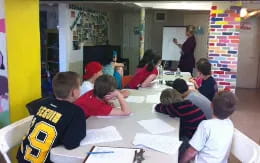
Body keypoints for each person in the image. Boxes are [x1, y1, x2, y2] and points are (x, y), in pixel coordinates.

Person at [17, 72, 86, 163]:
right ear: (74, 92)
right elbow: (71, 144)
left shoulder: (44, 104)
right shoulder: (76, 112)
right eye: (79, 86)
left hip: (23, 158)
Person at [179, 91, 237, 163]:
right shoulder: (230, 124)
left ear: (211, 105)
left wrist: (180, 161)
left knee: (183, 142)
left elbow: (191, 152)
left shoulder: (205, 125)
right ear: (232, 112)